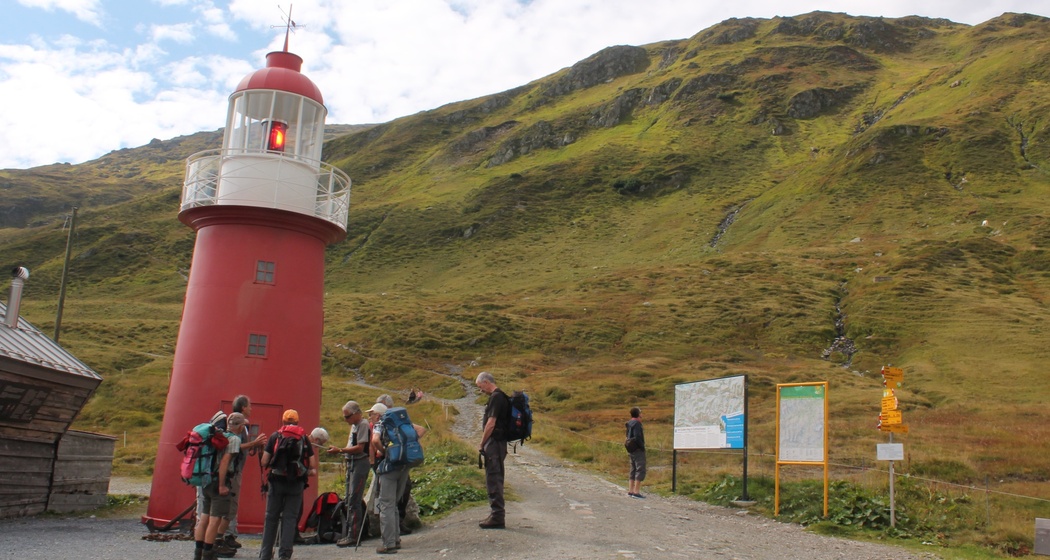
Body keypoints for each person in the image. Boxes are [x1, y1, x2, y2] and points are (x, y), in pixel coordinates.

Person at [258, 409, 318, 560]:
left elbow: (264, 461)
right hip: (296, 483)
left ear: (283, 422)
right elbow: (312, 463)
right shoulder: (304, 438)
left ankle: (265, 554)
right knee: (290, 519)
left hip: (276, 481)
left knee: (271, 517)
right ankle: (285, 555)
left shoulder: (275, 436)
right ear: (297, 422)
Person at [193, 412, 244, 560]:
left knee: (204, 517)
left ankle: (198, 552)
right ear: (240, 427)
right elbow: (225, 462)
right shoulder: (234, 440)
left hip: (207, 481)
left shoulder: (218, 435)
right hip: (218, 483)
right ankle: (208, 553)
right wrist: (222, 485)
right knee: (215, 519)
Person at [220, 395, 267, 551]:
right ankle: (225, 537)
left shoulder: (239, 425)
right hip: (232, 473)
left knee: (231, 505)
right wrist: (255, 443)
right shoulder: (239, 426)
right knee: (230, 505)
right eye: (249, 406)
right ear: (243, 408)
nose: (251, 408)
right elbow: (235, 446)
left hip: (234, 471)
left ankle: (229, 535)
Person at [327, 401, 370, 548]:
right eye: (344, 417)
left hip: (359, 463)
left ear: (357, 413)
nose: (346, 420)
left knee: (354, 499)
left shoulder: (363, 424)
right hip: (351, 463)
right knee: (349, 499)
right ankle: (350, 532)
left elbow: (360, 447)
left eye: (348, 417)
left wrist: (340, 450)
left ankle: (354, 535)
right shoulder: (354, 425)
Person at [475, 371, 509, 529]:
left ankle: (497, 516)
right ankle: (496, 514)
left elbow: (491, 423)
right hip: (499, 443)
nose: (480, 390)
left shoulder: (496, 397)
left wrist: (482, 443)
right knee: (495, 476)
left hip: (494, 443)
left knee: (493, 477)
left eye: (480, 386)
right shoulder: (501, 396)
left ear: (486, 382)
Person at [626, 407, 646, 498]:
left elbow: (627, 436)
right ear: (638, 414)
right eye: (641, 412)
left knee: (633, 468)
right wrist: (642, 446)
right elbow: (638, 437)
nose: (642, 414)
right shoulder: (637, 424)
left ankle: (630, 490)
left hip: (631, 448)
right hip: (637, 449)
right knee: (640, 468)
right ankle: (636, 491)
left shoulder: (629, 423)